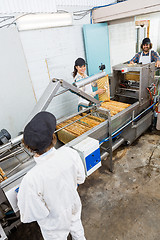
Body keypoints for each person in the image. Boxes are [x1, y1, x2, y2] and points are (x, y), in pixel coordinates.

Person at [17, 111, 86, 240]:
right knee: (77, 230)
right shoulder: (69, 153)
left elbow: (31, 214)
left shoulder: (32, 179)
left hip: (54, 220)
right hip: (73, 204)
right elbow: (80, 178)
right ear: (53, 138)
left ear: (28, 147)